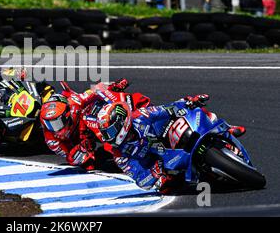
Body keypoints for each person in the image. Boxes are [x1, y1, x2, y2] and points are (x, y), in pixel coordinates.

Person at [94, 94, 246, 193]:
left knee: (197, 109)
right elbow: (140, 179)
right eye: (107, 133)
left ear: (121, 121)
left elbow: (166, 109)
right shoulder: (119, 154)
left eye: (111, 131)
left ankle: (227, 128)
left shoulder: (141, 116)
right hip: (161, 162)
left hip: (169, 136)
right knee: (166, 187)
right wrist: (155, 172)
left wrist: (188, 102)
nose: (109, 137)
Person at [40, 78, 150, 171]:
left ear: (67, 114)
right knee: (95, 165)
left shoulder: (75, 102)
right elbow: (71, 158)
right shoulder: (51, 140)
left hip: (86, 121)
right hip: (81, 143)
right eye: (49, 124)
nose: (53, 128)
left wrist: (113, 86)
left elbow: (94, 90)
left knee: (100, 101)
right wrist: (82, 148)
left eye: (56, 123)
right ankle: (120, 151)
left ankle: (138, 108)